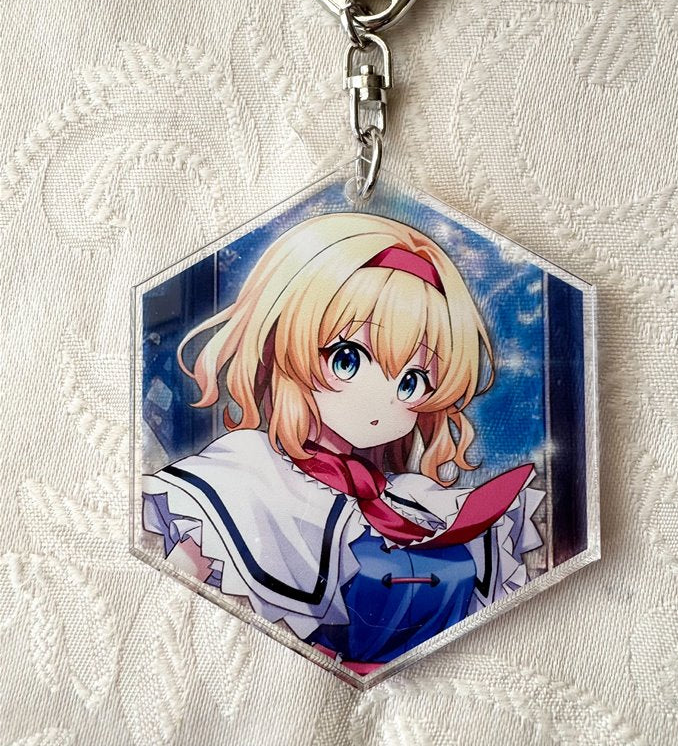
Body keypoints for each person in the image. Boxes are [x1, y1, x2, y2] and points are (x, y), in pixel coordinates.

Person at [141, 211, 545, 674]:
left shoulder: (415, 502)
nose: (381, 401)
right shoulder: (245, 477)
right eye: (348, 358)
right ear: (283, 341)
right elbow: (168, 612)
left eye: (412, 381)